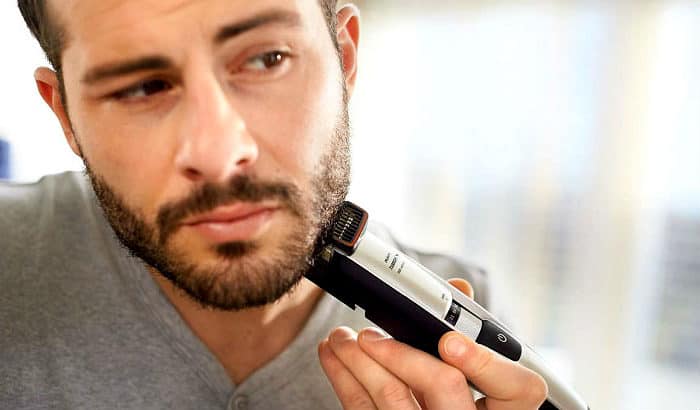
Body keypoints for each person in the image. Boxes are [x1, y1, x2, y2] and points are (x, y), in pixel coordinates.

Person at [1, 1, 548, 409]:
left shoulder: (470, 352)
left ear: (346, 61)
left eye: (267, 59)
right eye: (142, 88)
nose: (219, 155)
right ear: (66, 117)